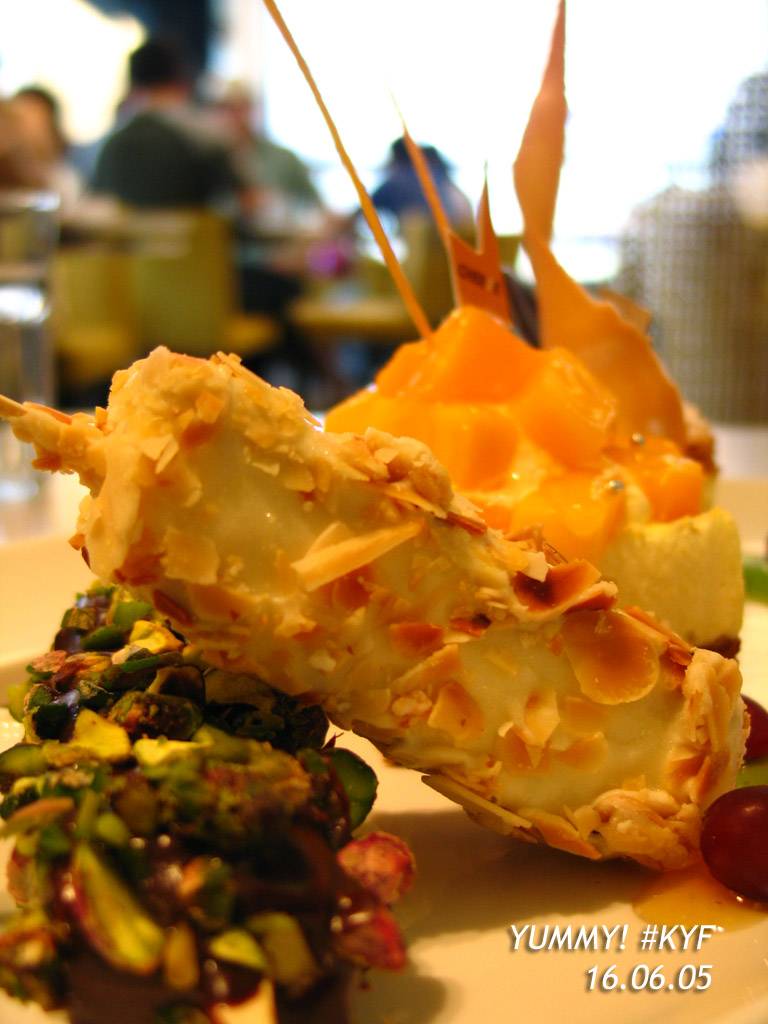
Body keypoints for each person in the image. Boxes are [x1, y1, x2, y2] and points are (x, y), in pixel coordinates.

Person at [616, 71, 768, 424]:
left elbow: (622, 320)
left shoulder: (656, 217)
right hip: (689, 428)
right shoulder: (662, 220)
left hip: (685, 424)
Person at [91, 38, 247, 211]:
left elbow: (96, 201)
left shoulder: (112, 144)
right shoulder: (208, 138)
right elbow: (245, 200)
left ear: (133, 85)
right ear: (182, 79)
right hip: (192, 227)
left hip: (123, 228)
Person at [370, 136, 473, 228]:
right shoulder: (440, 175)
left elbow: (366, 210)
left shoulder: (398, 180)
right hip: (459, 234)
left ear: (397, 158)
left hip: (427, 236)